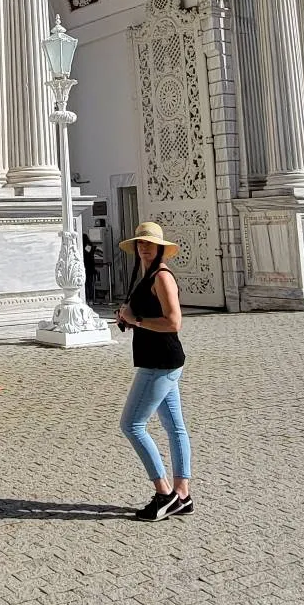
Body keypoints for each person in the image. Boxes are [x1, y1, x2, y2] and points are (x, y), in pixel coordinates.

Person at [115, 221, 192, 521]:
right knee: (175, 428)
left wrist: (137, 321)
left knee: (132, 425)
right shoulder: (145, 275)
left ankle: (164, 494)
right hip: (160, 360)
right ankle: (182, 496)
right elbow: (145, 314)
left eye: (149, 242)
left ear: (161, 247)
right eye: (140, 242)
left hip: (160, 362)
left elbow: (174, 323)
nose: (143, 247)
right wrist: (127, 316)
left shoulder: (162, 276)